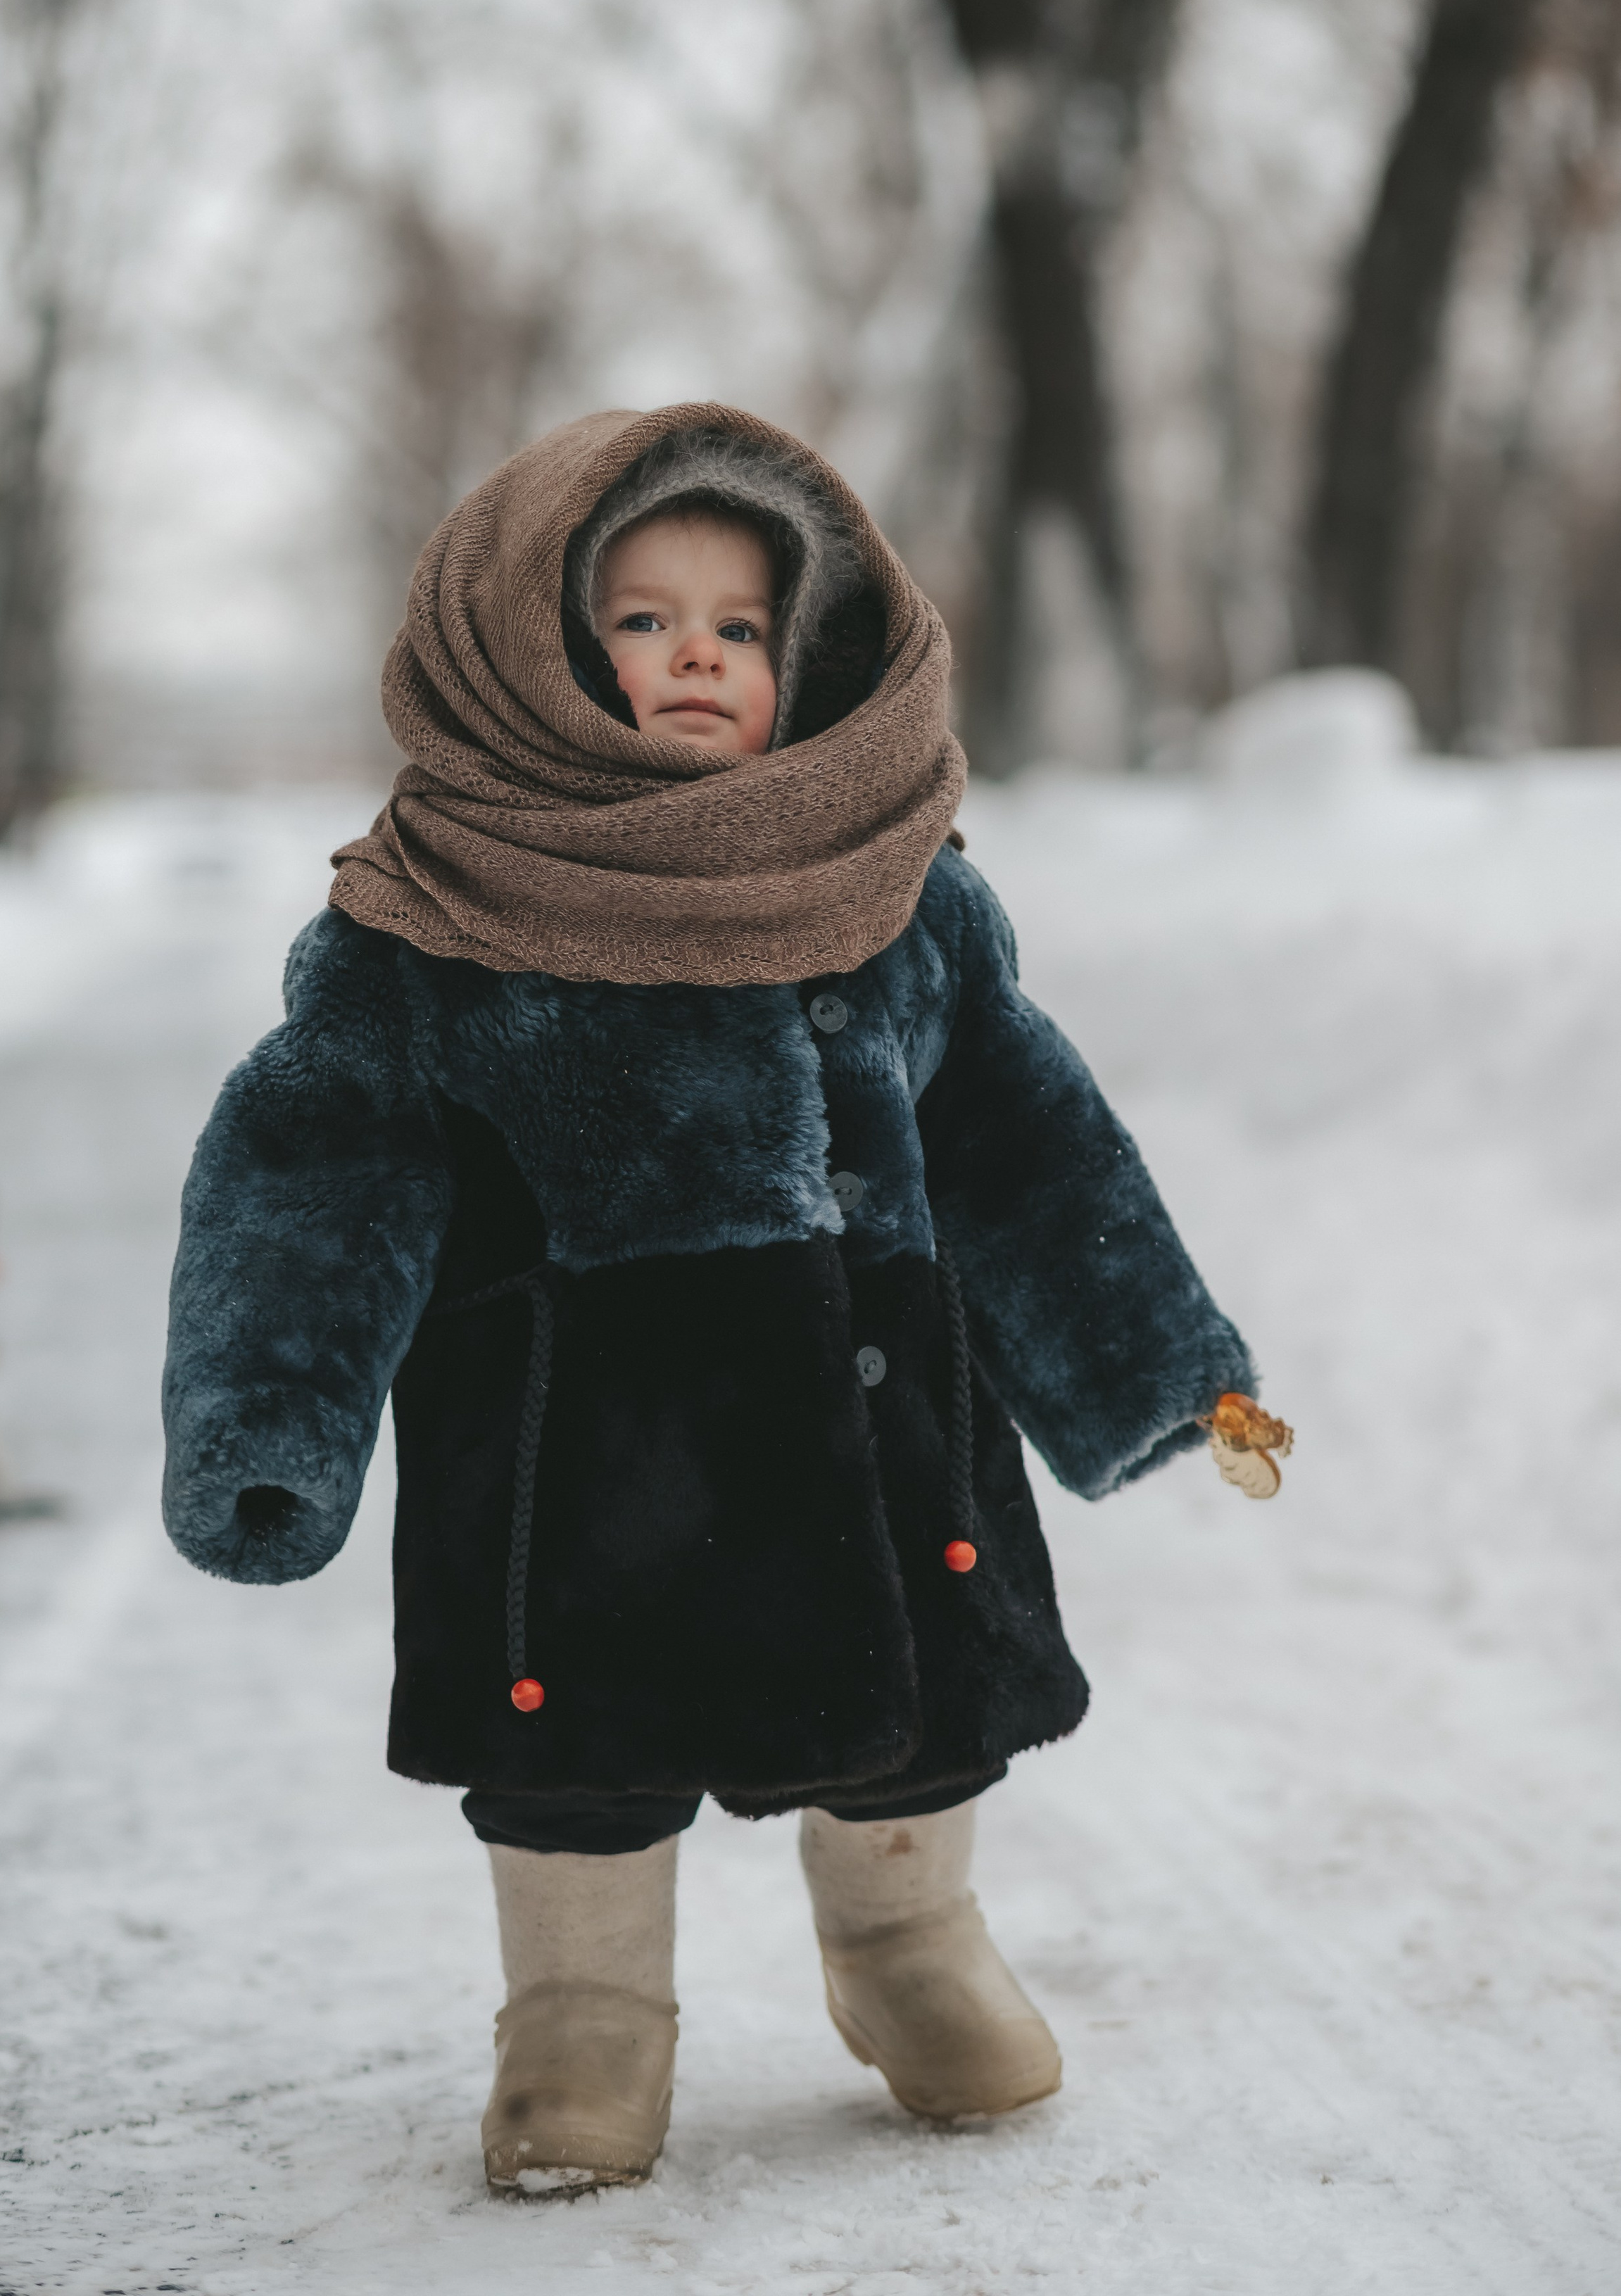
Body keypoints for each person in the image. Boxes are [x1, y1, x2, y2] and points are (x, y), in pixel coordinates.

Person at [161, 403, 1258, 2195]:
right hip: (571, 1438)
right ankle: (579, 2011)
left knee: (922, 1711)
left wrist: (1150, 1364)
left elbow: (1025, 1140)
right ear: (528, 650)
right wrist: (270, 1426)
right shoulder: (429, 919)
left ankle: (905, 1945)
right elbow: (309, 1175)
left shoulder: (899, 895)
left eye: (737, 628)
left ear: (798, 654)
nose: (695, 657)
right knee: (579, 1748)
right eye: (639, 619)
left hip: (872, 1385)